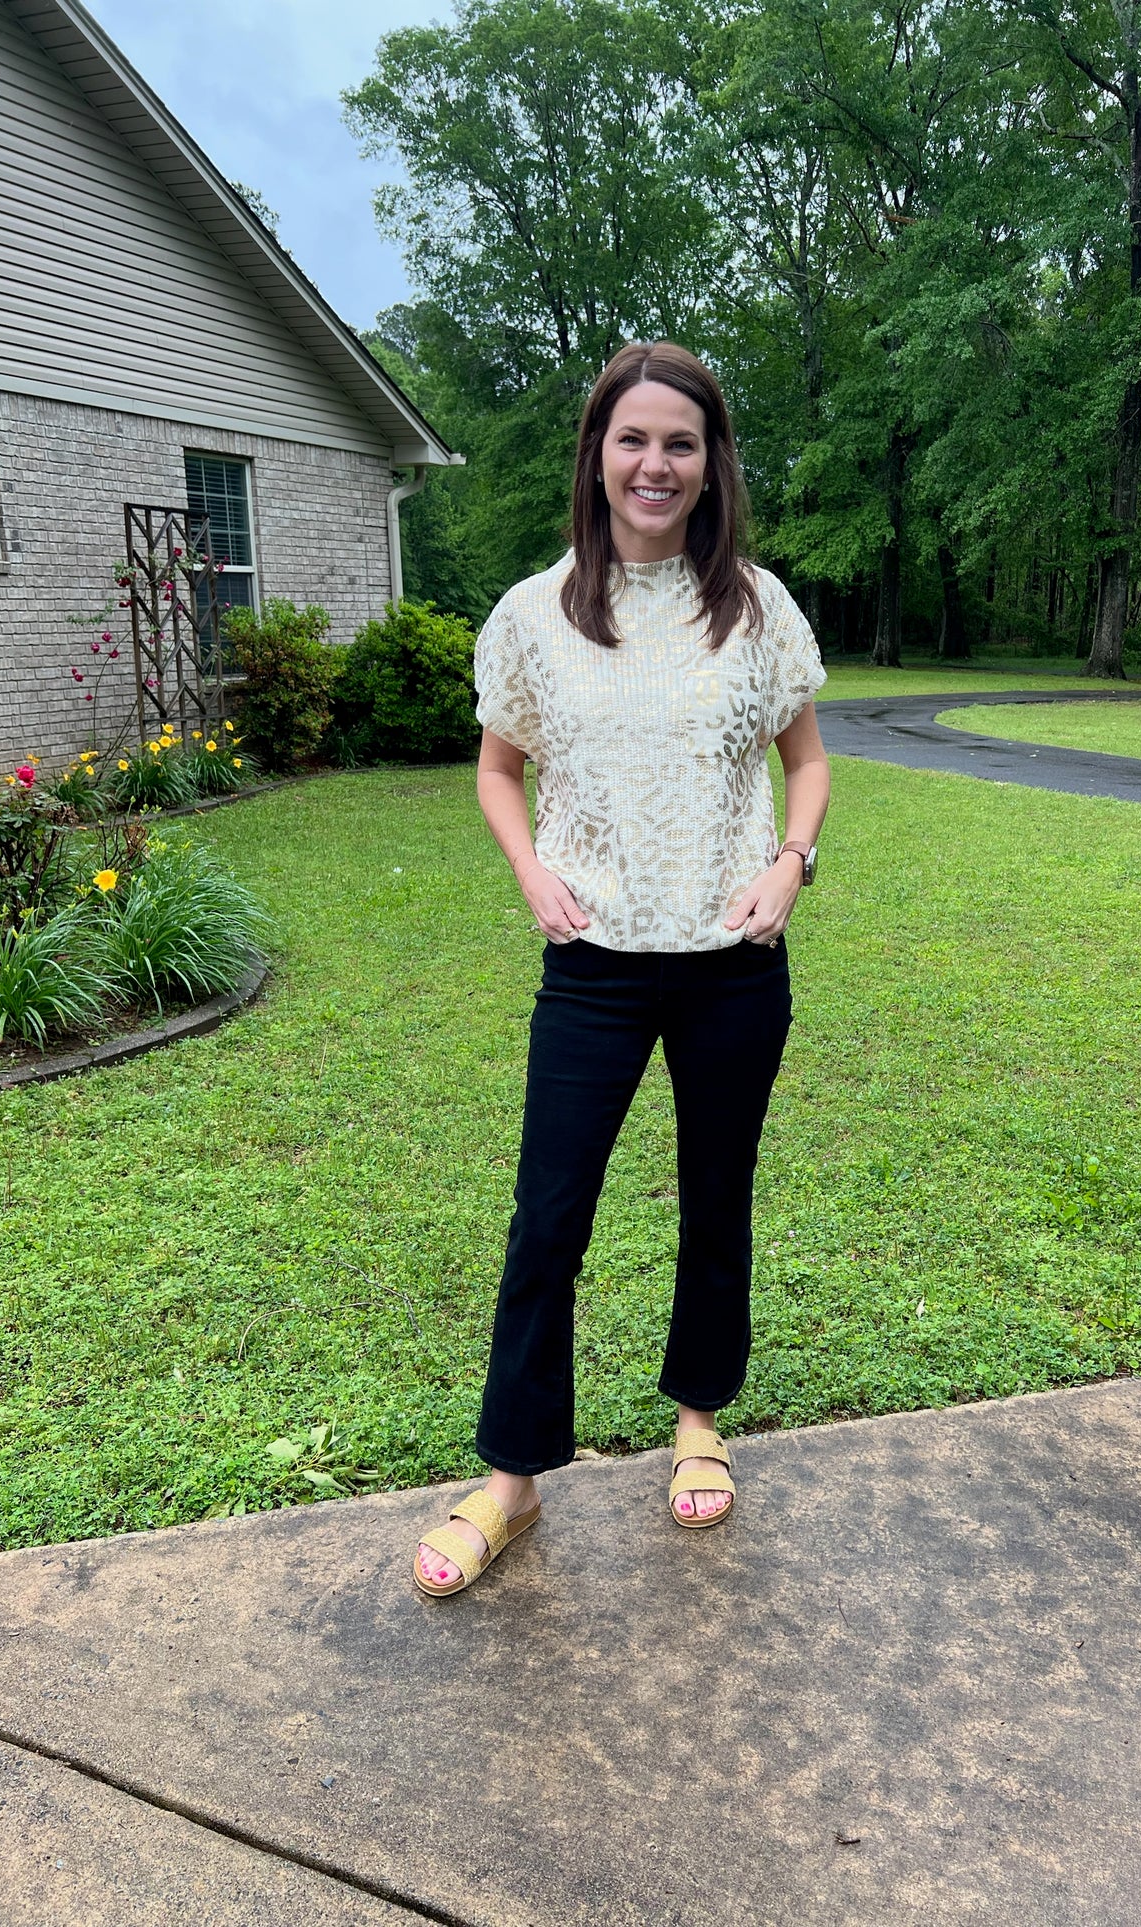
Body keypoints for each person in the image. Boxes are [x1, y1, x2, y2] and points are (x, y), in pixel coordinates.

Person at [414, 340, 831, 1598]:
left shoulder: (755, 606)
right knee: (548, 1217)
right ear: (596, 455)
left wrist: (790, 864)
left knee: (717, 1197)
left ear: (710, 469)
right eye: (633, 439)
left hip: (731, 966)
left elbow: (803, 759)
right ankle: (511, 1483)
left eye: (681, 443)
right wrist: (530, 873)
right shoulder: (532, 615)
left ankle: (697, 1418)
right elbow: (498, 767)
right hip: (592, 968)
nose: (656, 463)